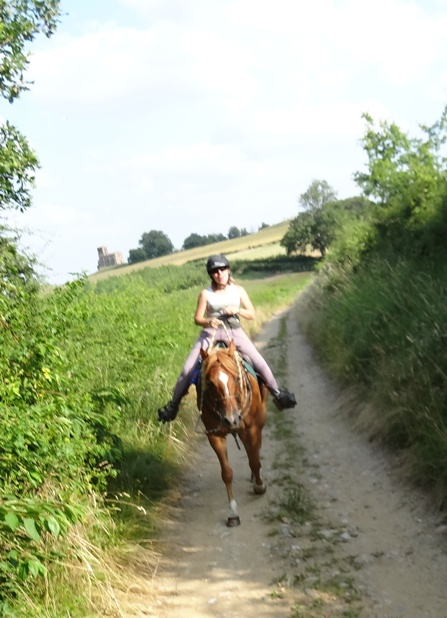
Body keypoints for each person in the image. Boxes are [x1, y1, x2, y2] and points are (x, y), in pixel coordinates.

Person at [158, 254, 297, 423]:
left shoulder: (238, 291)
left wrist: (236, 311)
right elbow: (197, 319)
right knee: (187, 370)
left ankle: (277, 393)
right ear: (211, 274)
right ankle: (173, 406)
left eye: (222, 269)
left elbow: (251, 314)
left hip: (234, 332)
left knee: (259, 362)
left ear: (228, 270)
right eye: (215, 271)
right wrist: (208, 321)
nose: (219, 274)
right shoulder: (205, 294)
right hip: (211, 334)